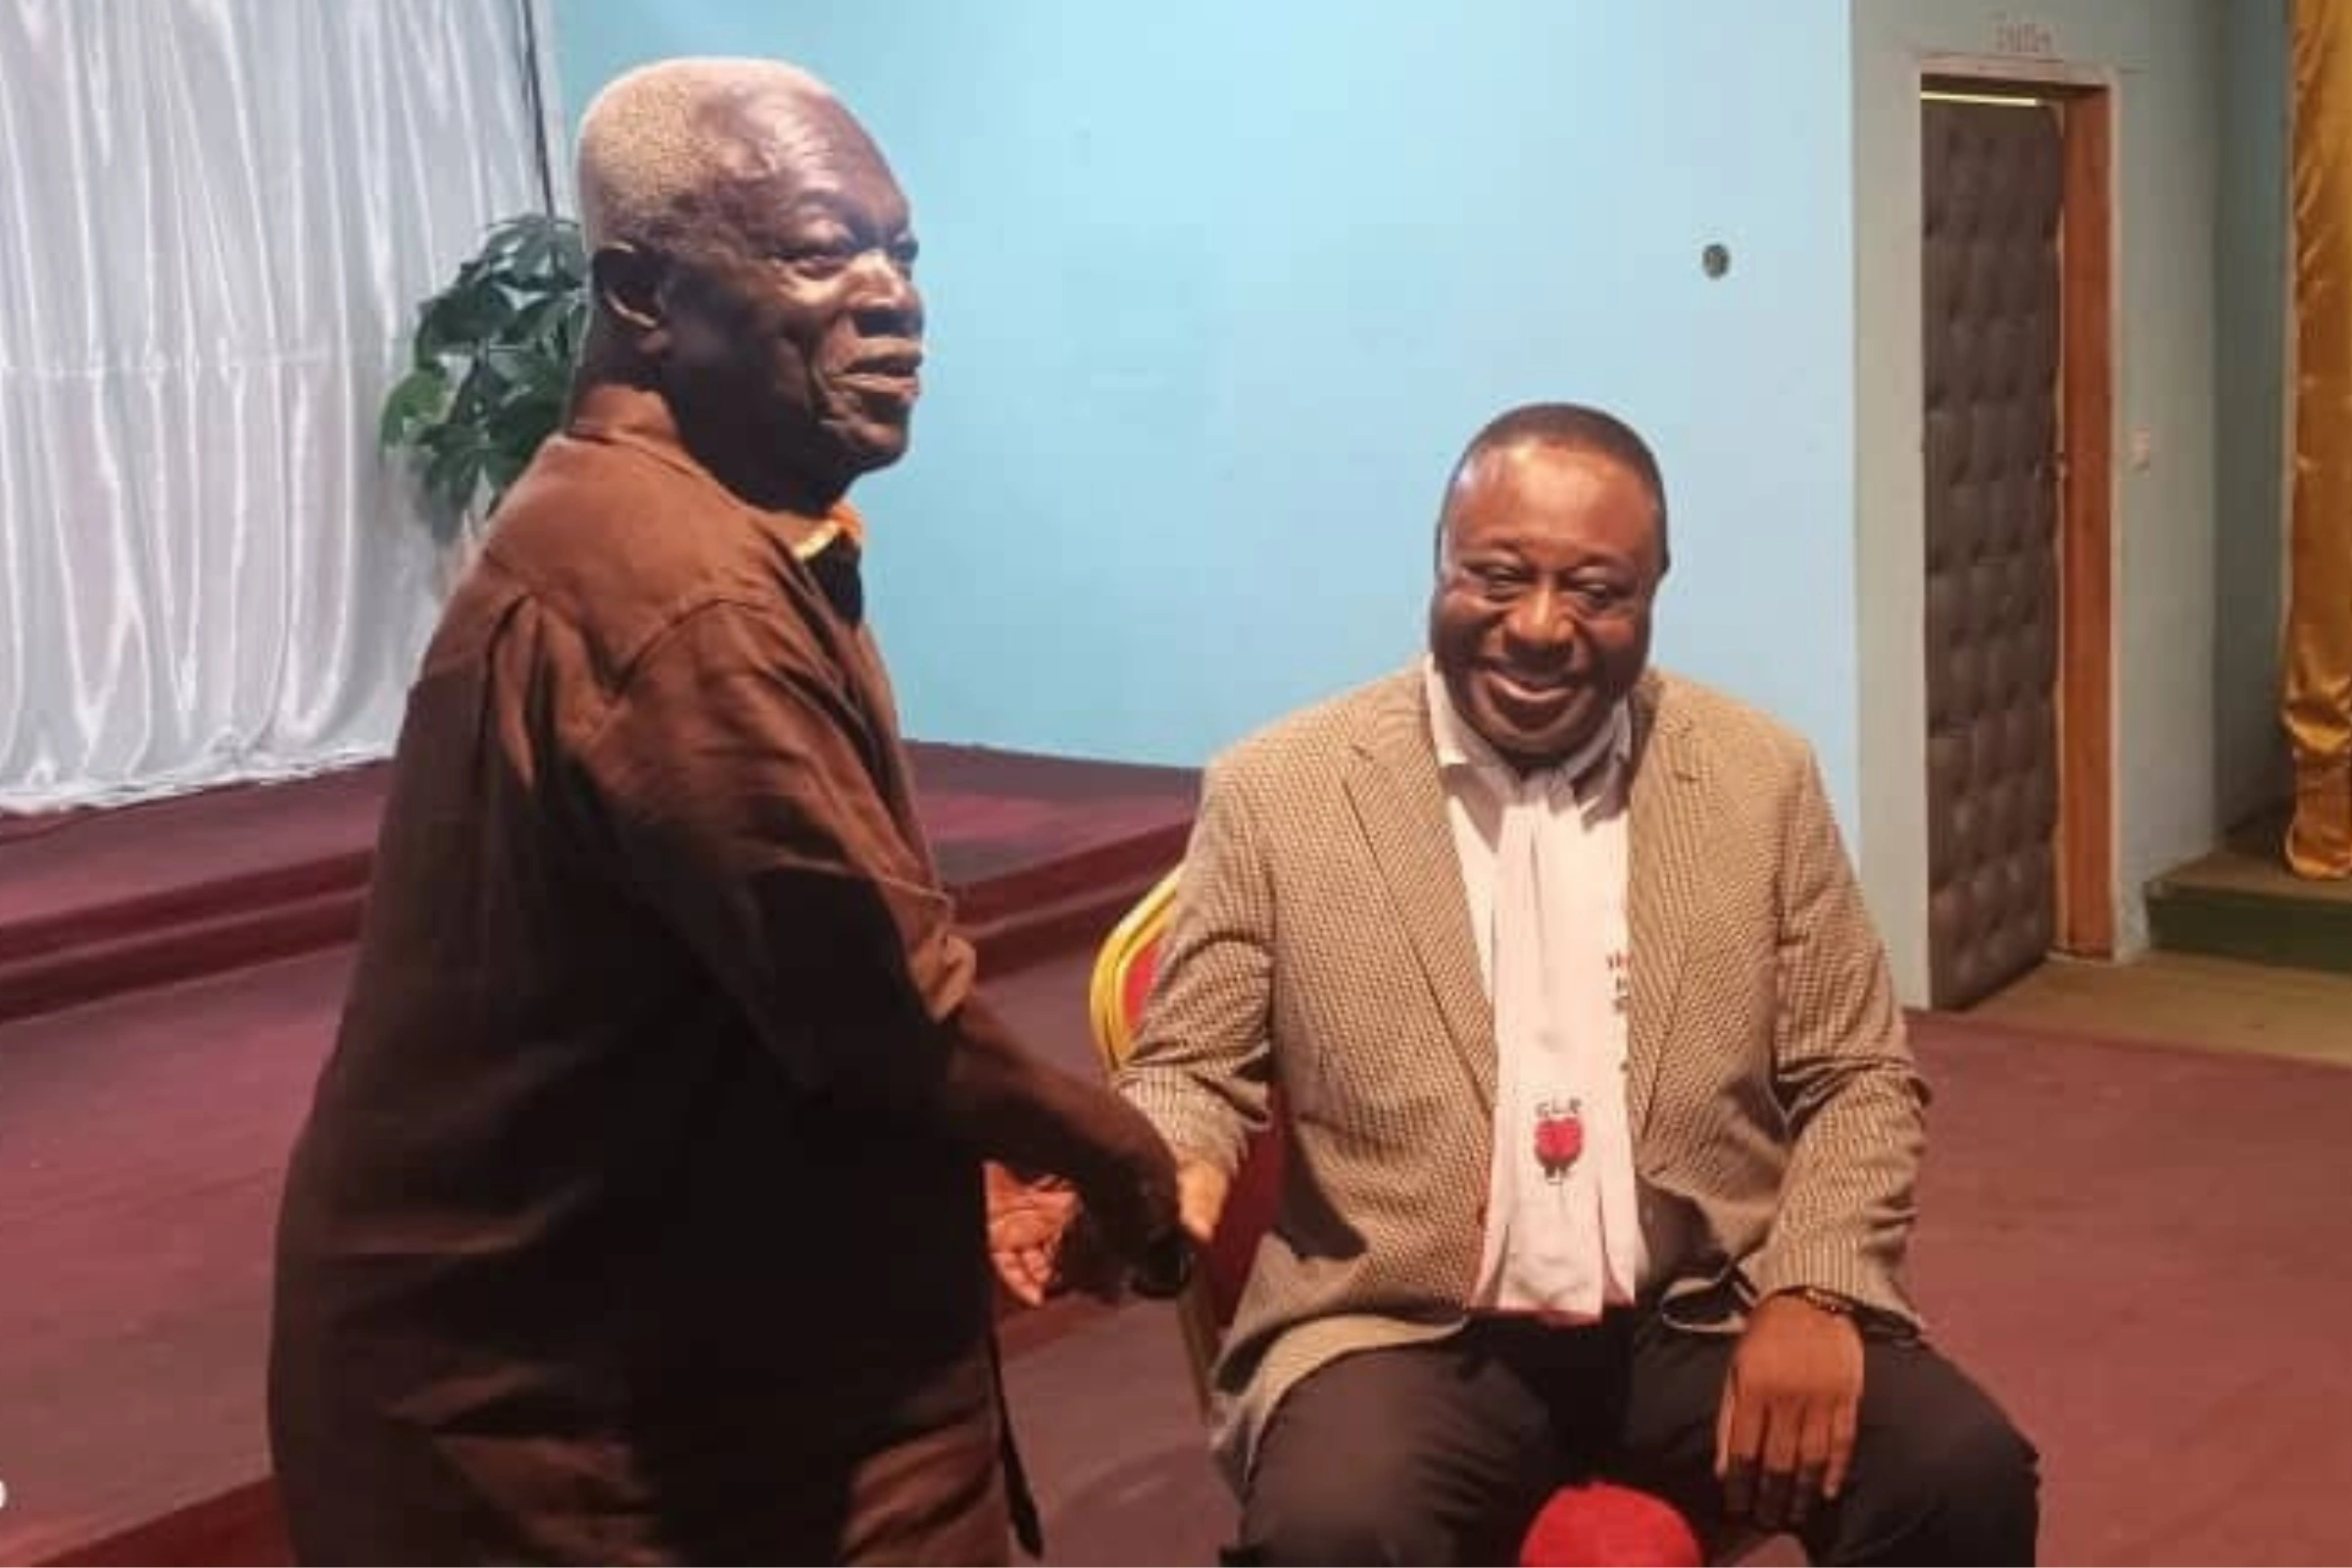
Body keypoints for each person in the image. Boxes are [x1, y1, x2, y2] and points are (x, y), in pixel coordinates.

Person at [269, 56, 1178, 1565]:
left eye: (904, 254)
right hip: (568, 1434)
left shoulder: (678, 532)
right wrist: (1117, 1155)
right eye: (823, 253)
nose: (894, 300)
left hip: (688, 1357)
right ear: (641, 293)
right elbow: (883, 1009)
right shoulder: (669, 588)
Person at [996, 403, 2037, 1564]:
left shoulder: (1756, 777)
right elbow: (1195, 1065)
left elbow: (1858, 1075)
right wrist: (1144, 1171)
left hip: (1698, 1309)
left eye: (1596, 591)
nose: (1540, 627)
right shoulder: (1281, 789)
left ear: (1653, 594)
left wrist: (1818, 1289)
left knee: (1956, 1470)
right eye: (1497, 576)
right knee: (1334, 1528)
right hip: (1404, 1329)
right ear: (1439, 563)